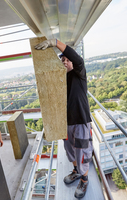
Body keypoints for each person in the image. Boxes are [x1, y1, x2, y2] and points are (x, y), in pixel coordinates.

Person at [35, 39, 93, 198]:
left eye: (68, 60)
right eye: (63, 60)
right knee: (70, 151)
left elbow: (78, 60)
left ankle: (85, 179)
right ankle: (76, 171)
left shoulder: (79, 74)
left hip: (81, 122)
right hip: (65, 124)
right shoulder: (59, 81)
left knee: (83, 152)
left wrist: (55, 42)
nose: (66, 62)